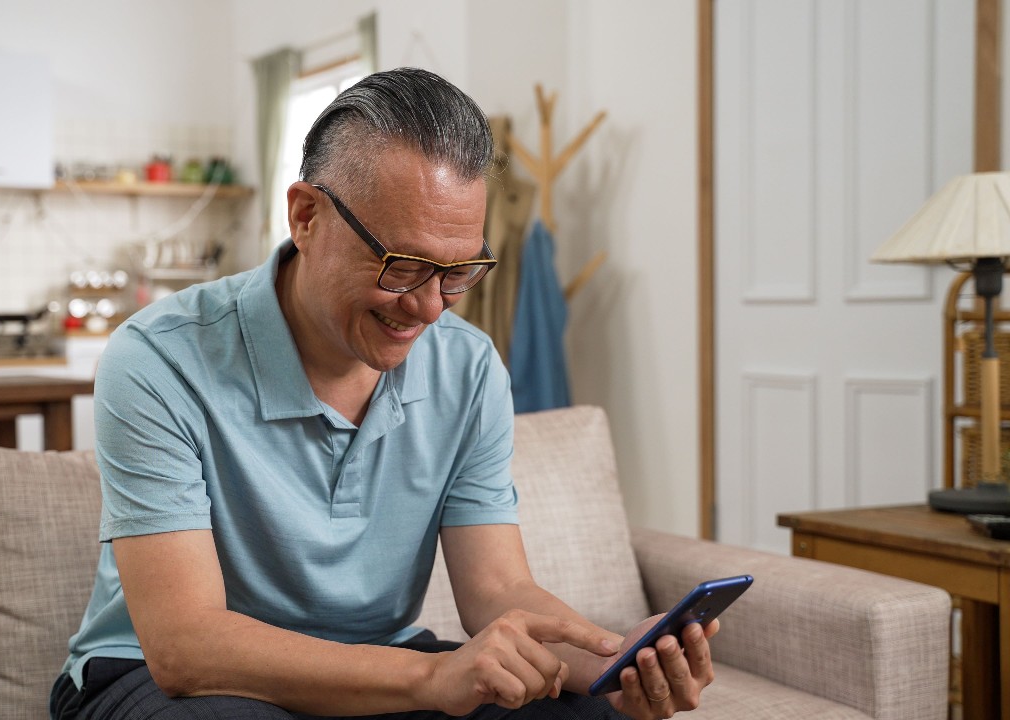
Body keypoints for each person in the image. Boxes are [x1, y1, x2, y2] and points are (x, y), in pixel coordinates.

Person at [51, 67, 718, 720]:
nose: (429, 308)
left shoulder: (469, 367)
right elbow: (187, 648)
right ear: (306, 217)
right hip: (166, 679)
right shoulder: (160, 358)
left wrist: (611, 661)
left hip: (376, 664)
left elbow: (497, 592)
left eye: (458, 272)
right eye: (403, 266)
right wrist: (430, 675)